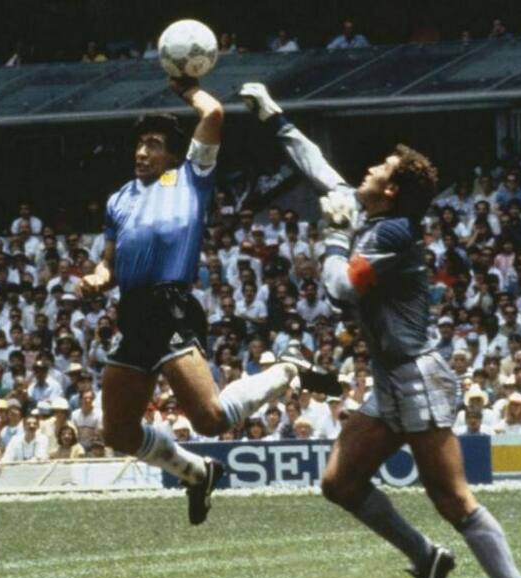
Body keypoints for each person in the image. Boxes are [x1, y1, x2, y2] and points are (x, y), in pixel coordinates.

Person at [240, 81, 521, 578]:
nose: (368, 169)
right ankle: (429, 559)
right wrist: (273, 115)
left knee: (453, 500)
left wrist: (329, 236)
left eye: (379, 167)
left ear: (393, 188)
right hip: (392, 380)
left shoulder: (393, 233)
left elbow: (334, 292)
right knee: (339, 483)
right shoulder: (370, 210)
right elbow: (318, 168)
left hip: (418, 378)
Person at [78, 76, 334, 526]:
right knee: (117, 431)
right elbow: (109, 264)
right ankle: (197, 472)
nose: (142, 152)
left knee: (211, 420)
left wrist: (186, 89)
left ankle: (287, 368)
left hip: (173, 304)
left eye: (153, 144)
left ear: (173, 154)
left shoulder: (190, 177)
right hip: (134, 312)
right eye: (139, 144)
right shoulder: (119, 199)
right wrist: (97, 280)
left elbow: (212, 113)